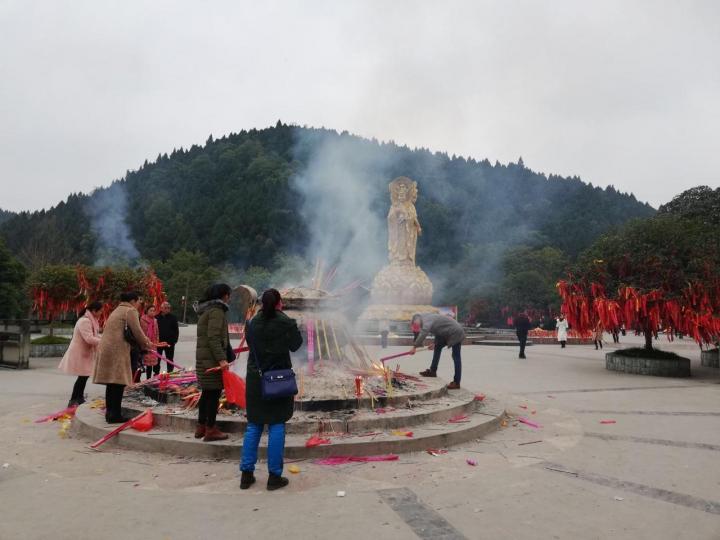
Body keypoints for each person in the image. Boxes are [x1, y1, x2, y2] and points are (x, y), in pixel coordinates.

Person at [240, 288, 302, 491]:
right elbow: (296, 345)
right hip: (278, 379)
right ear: (279, 303)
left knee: (254, 425)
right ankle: (274, 476)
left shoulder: (252, 323)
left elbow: (250, 344)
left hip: (256, 379)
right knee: (277, 424)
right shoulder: (286, 322)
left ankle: (246, 474)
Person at [93, 292, 152, 423]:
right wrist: (147, 343)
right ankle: (115, 415)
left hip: (107, 348)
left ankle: (110, 413)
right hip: (117, 350)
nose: (139, 304)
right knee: (119, 383)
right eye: (138, 301)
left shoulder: (118, 310)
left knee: (112, 383)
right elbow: (137, 331)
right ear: (132, 301)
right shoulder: (130, 311)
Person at [195, 283, 233, 442]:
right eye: (228, 295)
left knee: (207, 393)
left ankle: (201, 427)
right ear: (224, 295)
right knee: (213, 395)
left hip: (204, 360)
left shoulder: (206, 311)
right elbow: (213, 338)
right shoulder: (217, 312)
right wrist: (222, 359)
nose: (229, 298)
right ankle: (211, 429)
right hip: (211, 362)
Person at [58, 301, 103, 407]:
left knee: (84, 376)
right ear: (93, 311)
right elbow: (89, 338)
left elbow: (94, 336)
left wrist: (103, 338)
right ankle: (74, 399)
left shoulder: (91, 320)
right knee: (82, 377)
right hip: (80, 353)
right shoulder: (85, 321)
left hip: (85, 353)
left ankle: (79, 397)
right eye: (100, 310)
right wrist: (104, 340)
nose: (101, 313)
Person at [411, 313, 465, 389]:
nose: (418, 326)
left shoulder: (426, 319)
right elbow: (439, 331)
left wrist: (414, 347)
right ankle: (432, 371)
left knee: (456, 357)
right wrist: (434, 343)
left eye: (416, 323)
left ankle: (456, 382)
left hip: (455, 332)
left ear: (417, 318)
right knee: (437, 347)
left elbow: (424, 332)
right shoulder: (428, 317)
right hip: (449, 332)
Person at [156, 301, 179, 372]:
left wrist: (174, 340)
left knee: (169, 359)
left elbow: (176, 330)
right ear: (161, 308)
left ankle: (170, 372)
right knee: (157, 359)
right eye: (166, 308)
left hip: (169, 342)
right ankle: (156, 373)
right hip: (158, 342)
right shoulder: (156, 317)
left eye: (169, 308)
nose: (168, 309)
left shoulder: (173, 318)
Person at [141, 305, 160, 379]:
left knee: (152, 364)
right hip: (145, 343)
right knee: (145, 363)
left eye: (153, 311)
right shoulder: (142, 319)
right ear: (147, 311)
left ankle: (150, 379)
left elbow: (157, 332)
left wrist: (157, 342)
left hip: (153, 344)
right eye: (150, 310)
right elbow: (141, 332)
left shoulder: (155, 320)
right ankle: (145, 378)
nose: (152, 312)